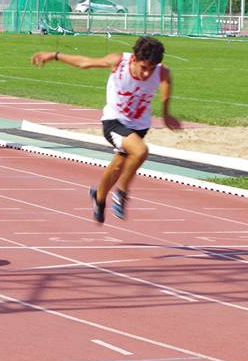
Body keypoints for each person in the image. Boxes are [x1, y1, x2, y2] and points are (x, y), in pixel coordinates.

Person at [31, 36, 181, 223]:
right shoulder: (119, 62)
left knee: (119, 165)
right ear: (134, 59)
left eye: (151, 70)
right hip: (114, 122)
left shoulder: (160, 71)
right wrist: (54, 55)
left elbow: (166, 80)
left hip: (140, 125)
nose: (146, 75)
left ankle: (99, 197)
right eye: (143, 68)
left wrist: (166, 112)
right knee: (141, 151)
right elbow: (85, 63)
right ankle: (122, 192)